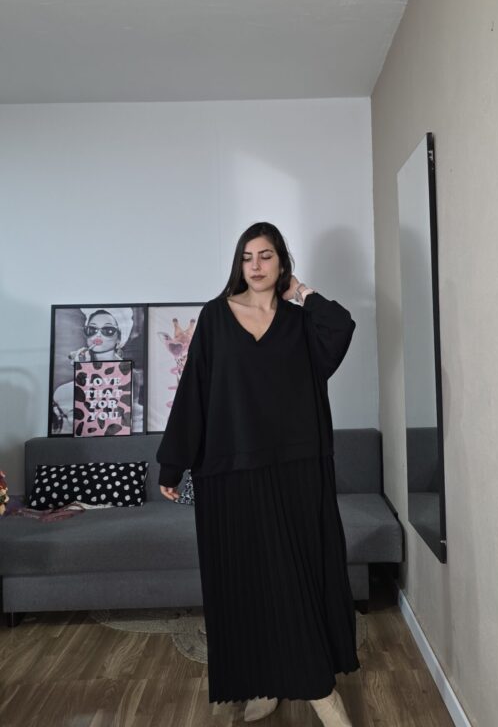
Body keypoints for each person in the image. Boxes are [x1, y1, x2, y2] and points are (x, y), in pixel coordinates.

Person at [156, 222, 359, 726]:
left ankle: (319, 689)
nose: (256, 266)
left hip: (298, 469)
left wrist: (301, 292)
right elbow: (194, 391)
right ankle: (267, 682)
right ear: (238, 264)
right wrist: (173, 462)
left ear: (282, 262)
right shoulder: (215, 317)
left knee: (299, 579)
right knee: (250, 585)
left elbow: (342, 326)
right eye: (247, 257)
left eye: (266, 256)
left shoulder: (301, 322)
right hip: (232, 473)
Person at [52, 308, 144, 434]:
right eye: (92, 329)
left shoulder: (132, 381)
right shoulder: (64, 392)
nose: (98, 335)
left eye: (108, 330)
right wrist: (83, 374)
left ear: (119, 338)